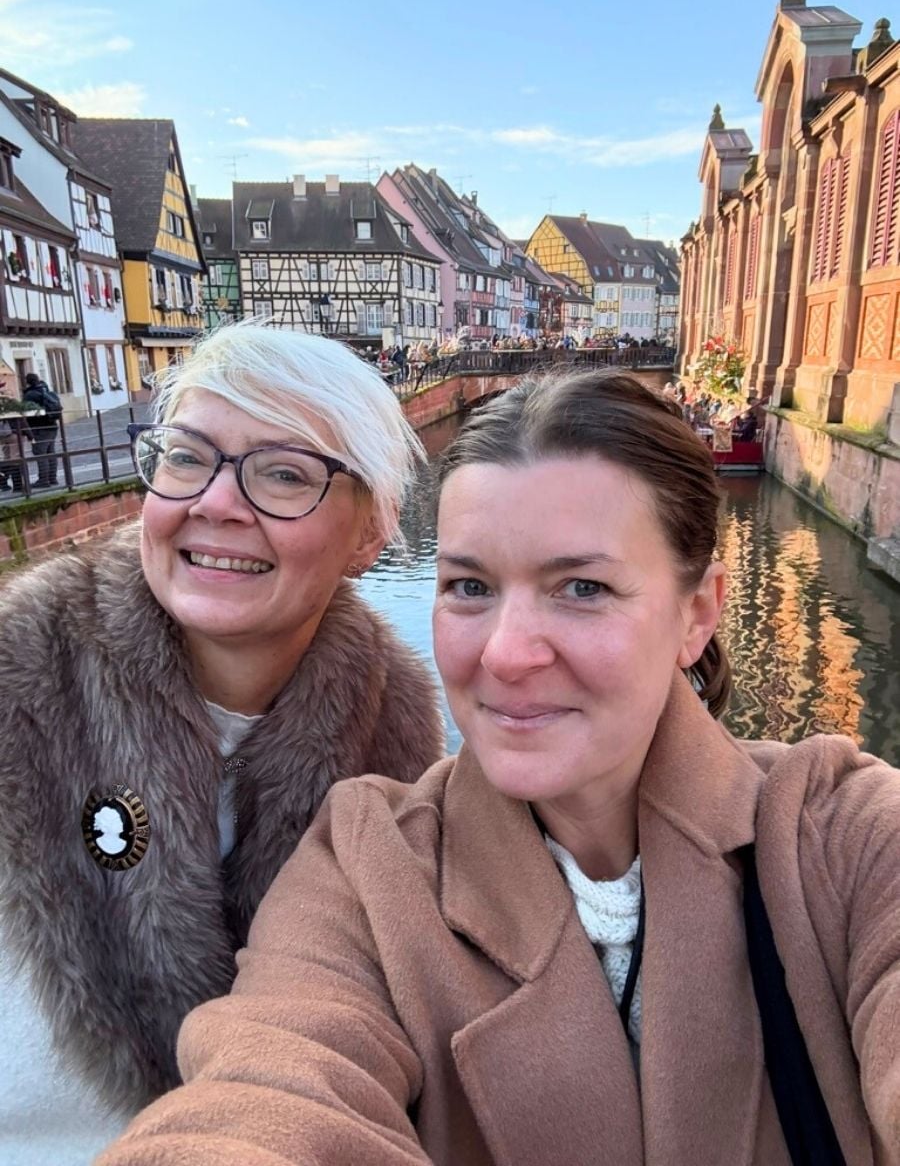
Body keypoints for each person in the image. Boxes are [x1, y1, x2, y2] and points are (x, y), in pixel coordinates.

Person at [96, 370, 900, 1166]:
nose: (507, 655)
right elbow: (267, 1094)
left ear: (697, 613)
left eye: (581, 587)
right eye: (469, 586)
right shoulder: (367, 866)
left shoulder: (845, 836)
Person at [0, 322, 444, 1166]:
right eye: (187, 457)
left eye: (284, 474)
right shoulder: (18, 678)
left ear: (369, 536)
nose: (216, 502)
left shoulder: (398, 741)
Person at [22, 370, 62, 488]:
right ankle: (52, 478)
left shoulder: (30, 395)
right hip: (52, 426)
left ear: (28, 382)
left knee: (40, 454)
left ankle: (43, 480)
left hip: (39, 428)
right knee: (51, 452)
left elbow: (25, 410)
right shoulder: (47, 391)